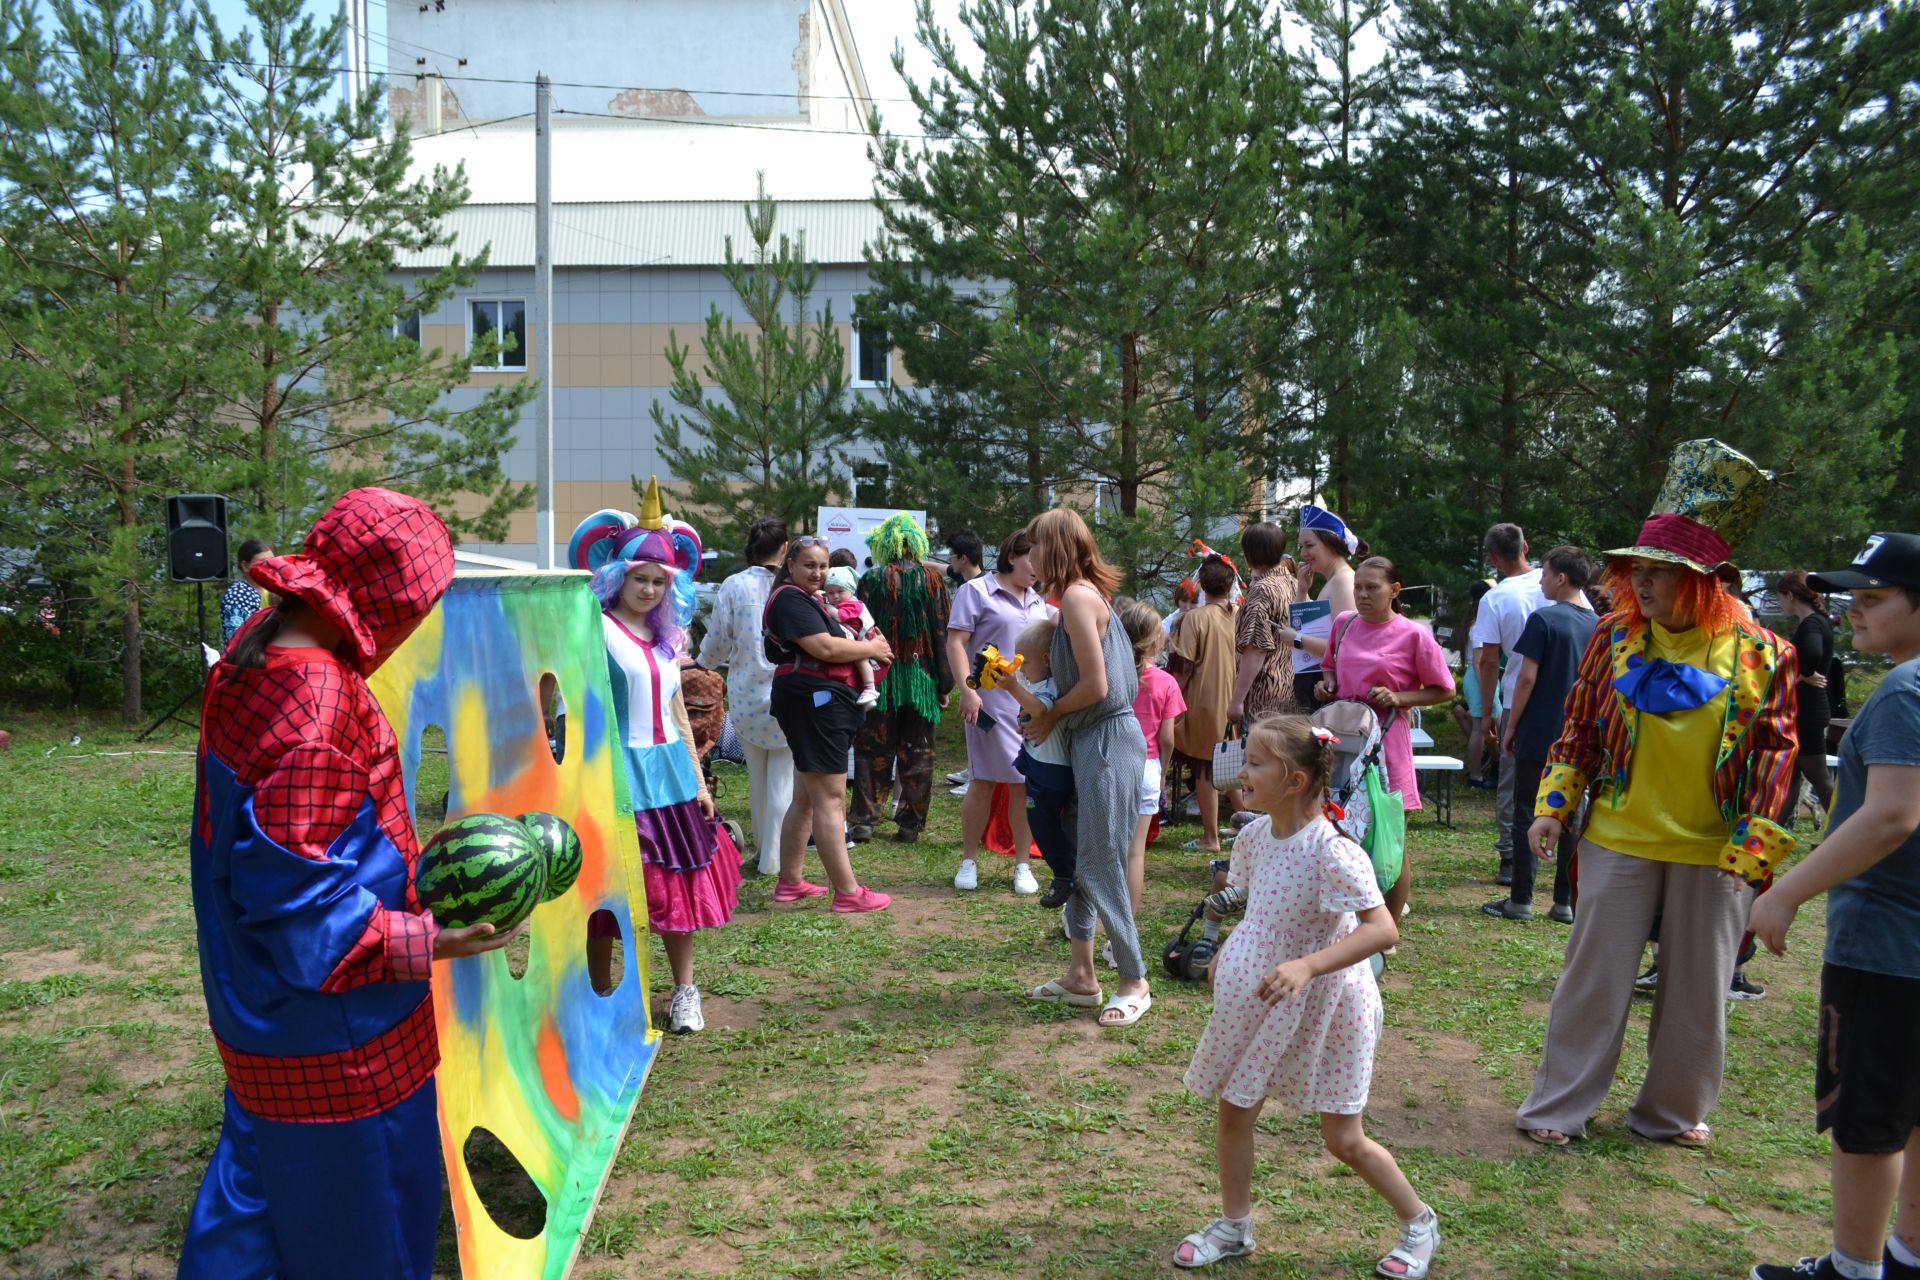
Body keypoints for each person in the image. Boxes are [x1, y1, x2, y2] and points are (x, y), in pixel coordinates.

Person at [178, 489, 517, 1280]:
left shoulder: (258, 646)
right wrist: (430, 939)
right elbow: (301, 912)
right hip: (339, 1041)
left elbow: (282, 846)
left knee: (258, 1209)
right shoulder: (315, 704)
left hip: (254, 1009)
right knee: (365, 1234)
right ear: (388, 603)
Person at [1516, 439, 1797, 1149]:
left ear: (1705, 581)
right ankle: (1559, 1107)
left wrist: (1754, 853)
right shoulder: (1612, 638)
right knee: (1594, 982)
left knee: (1698, 994)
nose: (1640, 583)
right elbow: (1578, 727)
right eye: (1635, 569)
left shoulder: (1766, 654)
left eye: (1660, 573)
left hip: (1715, 852)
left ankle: (1669, 1114)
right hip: (1618, 838)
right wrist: (1553, 804)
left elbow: (1775, 756)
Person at [1174, 716, 1438, 1277]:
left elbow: (1382, 930)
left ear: (1294, 780)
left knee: (1343, 1138)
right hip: (1264, 1001)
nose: (1242, 772)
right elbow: (1257, 901)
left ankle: (1419, 1222)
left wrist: (1306, 965)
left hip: (1330, 1004)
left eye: (1255, 764)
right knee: (1234, 1112)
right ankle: (1235, 1224)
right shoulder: (1251, 835)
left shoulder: (1333, 851)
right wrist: (1225, 945)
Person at [1747, 532, 1920, 1280]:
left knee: (1868, 1122)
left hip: (1886, 950)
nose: (1854, 610)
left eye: (1874, 599)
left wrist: (1785, 891)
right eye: (1852, 595)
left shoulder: (1906, 693)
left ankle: (1853, 1271)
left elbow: (1890, 816)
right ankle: (1908, 1256)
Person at [575, 491, 739, 1033]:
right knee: (607, 890)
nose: (649, 589)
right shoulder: (592, 631)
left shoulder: (667, 638)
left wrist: (699, 780)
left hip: (669, 774)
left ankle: (685, 992)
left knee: (676, 886)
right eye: (641, 577)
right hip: (613, 775)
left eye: (659, 581)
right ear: (617, 576)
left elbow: (677, 714)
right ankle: (600, 995)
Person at [1021, 507, 1151, 1028]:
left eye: (1032, 545)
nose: (1027, 556)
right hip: (1089, 738)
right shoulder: (1075, 598)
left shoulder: (1076, 596)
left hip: (1106, 739)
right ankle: (1081, 976)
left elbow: (1097, 686)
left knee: (1099, 862)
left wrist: (1050, 714)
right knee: (1078, 862)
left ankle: (1133, 979)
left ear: (1052, 546)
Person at [1316, 557, 1457, 923]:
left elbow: (1444, 690)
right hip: (1344, 743)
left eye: (1371, 588)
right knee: (1340, 831)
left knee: (1388, 840)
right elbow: (1330, 665)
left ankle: (1385, 931)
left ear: (1394, 591)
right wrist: (1327, 684)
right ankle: (1346, 922)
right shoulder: (1344, 625)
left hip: (1386, 746)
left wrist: (1400, 697)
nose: (1361, 595)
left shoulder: (1413, 634)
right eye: (1358, 587)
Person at [763, 535, 894, 912]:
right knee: (831, 799)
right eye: (809, 565)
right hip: (816, 703)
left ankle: (790, 882)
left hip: (812, 702)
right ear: (790, 565)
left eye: (822, 566)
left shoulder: (807, 599)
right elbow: (825, 648)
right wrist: (872, 649)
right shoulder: (790, 599)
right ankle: (849, 892)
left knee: (806, 796)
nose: (817, 573)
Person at [1484, 547, 1597, 923]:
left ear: (1561, 578)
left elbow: (1526, 677)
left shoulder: (1544, 619)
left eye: (1545, 575)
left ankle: (1521, 899)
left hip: (1539, 730)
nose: (1542, 581)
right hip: (1580, 736)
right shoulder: (1599, 625)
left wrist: (1511, 725)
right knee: (1572, 817)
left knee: (1525, 811)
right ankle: (1564, 901)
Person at [946, 529, 1053, 897]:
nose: (1037, 568)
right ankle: (969, 860)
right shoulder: (975, 591)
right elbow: (956, 643)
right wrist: (967, 690)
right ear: (1011, 556)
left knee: (1025, 784)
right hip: (988, 704)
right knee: (985, 780)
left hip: (1030, 706)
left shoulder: (1040, 602)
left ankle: (1022, 863)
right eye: (1032, 559)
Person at [697, 517, 793, 877]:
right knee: (783, 778)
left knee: (758, 777)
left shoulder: (733, 585)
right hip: (789, 690)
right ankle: (774, 858)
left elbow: (717, 642)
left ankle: (763, 853)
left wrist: (700, 663)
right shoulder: (792, 586)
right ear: (785, 548)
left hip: (747, 694)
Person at [851, 514, 953, 843]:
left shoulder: (871, 579)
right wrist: (944, 683)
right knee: (919, 752)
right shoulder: (934, 581)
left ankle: (864, 821)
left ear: (886, 544)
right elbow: (942, 634)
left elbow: (859, 633)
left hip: (880, 677)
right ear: (916, 544)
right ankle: (910, 824)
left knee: (872, 749)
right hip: (922, 680)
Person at [1471, 523, 1548, 886]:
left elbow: (1487, 661)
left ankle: (1509, 855)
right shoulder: (1558, 585)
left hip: (1517, 696)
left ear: (1494, 558)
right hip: (1564, 698)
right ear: (1526, 546)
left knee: (1512, 781)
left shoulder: (1495, 598)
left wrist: (1487, 711)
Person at [1005, 617, 1077, 906]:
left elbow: (1041, 708)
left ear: (1046, 659)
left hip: (1050, 771)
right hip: (1040, 766)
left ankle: (1064, 874)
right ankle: (1065, 872)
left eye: (1025, 664)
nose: (1021, 671)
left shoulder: (1049, 685)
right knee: (1040, 822)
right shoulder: (1039, 684)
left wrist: (1012, 688)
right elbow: (1030, 712)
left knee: (1042, 824)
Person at [1172, 556, 1240, 854]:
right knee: (1232, 765)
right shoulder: (1240, 613)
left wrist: (1171, 698)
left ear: (1201, 585)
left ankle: (1210, 837)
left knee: (1205, 769)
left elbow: (1182, 666)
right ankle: (1248, 825)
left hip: (1203, 701)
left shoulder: (1195, 618)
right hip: (1236, 698)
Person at [1124, 596, 1183, 922]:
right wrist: (1161, 773)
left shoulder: (1109, 676)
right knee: (1135, 852)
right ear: (1156, 641)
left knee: (1101, 850)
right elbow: (1167, 738)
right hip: (1146, 766)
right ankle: (1122, 935)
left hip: (1110, 765)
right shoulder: (1166, 683)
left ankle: (1083, 920)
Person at [1776, 569, 1838, 818]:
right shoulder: (1818, 621)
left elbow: (1812, 652)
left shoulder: (1811, 623)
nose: (1779, 603)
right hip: (1806, 709)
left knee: (1819, 777)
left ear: (1790, 595)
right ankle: (1774, 834)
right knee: (1789, 778)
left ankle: (1842, 826)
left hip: (1807, 711)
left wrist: (1801, 674)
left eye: (1779, 597)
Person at [1288, 504, 1364, 709]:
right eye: (1301, 546)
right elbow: (1309, 629)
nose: (1303, 553)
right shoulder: (1334, 582)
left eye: (1309, 545)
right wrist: (1302, 591)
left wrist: (1295, 640)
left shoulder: (1343, 583)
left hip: (1329, 692)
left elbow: (1345, 648)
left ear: (1330, 544)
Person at [1229, 522, 1300, 729]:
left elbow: (1256, 649)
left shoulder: (1262, 590)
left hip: (1263, 693)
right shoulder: (1294, 584)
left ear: (1250, 553)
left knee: (1262, 756)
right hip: (1291, 688)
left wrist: (1237, 700)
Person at [1449, 582, 1500, 789]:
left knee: (1486, 726)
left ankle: (1492, 764)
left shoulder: (1473, 622)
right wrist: (1486, 688)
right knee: (1481, 727)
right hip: (1481, 676)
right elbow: (1480, 661)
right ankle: (1477, 775)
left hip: (1477, 675)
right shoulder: (1480, 624)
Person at [823, 566, 882, 708]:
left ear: (851, 590)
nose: (835, 596)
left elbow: (839, 616)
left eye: (840, 591)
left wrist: (826, 607)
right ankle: (866, 697)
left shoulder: (853, 605)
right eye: (830, 593)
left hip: (864, 640)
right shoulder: (843, 602)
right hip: (856, 639)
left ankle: (870, 688)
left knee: (861, 659)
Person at [220, 538, 275, 645]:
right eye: (262, 562)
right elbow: (234, 636)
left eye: (272, 561)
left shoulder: (273, 588)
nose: (269, 566)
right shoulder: (237, 594)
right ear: (245, 566)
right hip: (247, 656)